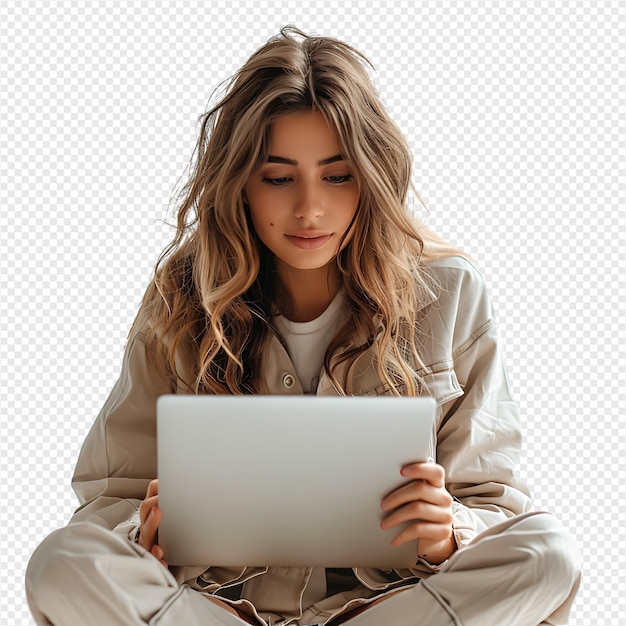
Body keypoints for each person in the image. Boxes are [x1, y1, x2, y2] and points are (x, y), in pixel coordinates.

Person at [26, 26, 581, 626]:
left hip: (385, 609)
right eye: (279, 177)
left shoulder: (448, 292)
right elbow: (109, 496)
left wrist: (451, 531)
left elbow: (494, 502)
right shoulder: (183, 295)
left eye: (337, 175)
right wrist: (146, 530)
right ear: (240, 182)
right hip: (218, 610)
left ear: (371, 177)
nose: (309, 208)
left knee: (546, 553)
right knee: (64, 560)